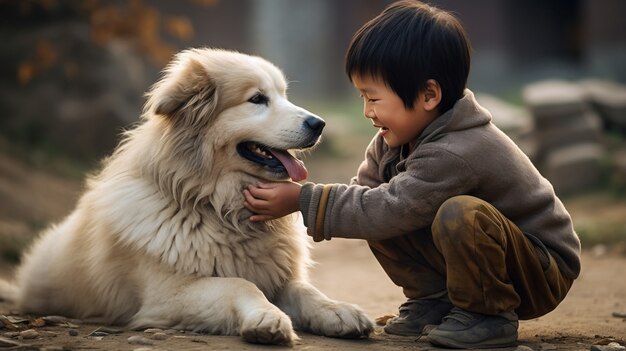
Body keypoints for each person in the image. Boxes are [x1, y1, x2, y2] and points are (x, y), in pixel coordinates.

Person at [243, 1, 580, 349]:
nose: (367, 112)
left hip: (539, 269)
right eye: (362, 97)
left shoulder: (458, 149)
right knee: (372, 210)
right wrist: (330, 205)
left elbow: (389, 207)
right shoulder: (391, 141)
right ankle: (433, 301)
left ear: (428, 95)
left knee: (455, 214)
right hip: (489, 258)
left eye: (373, 98)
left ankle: (487, 316)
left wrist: (302, 199)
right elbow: (365, 203)